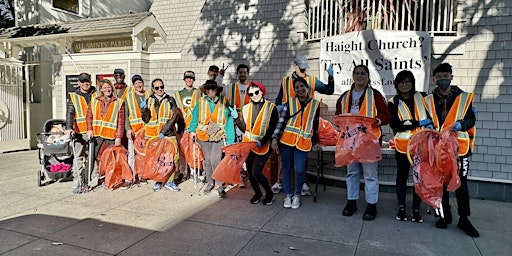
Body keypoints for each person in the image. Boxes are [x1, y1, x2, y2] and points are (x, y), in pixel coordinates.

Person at [425, 63, 479, 237]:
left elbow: (471, 120)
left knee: (461, 184)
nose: (443, 79)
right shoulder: (429, 100)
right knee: (442, 183)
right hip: (439, 149)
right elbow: (425, 119)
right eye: (439, 76)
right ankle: (445, 215)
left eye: (446, 76)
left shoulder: (464, 98)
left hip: (459, 150)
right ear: (434, 79)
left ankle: (464, 219)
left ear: (451, 77)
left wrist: (461, 124)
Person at [272, 56, 335, 196]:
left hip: (304, 126)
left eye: (305, 68)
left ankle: (303, 182)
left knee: (302, 158)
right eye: (301, 68)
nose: (303, 70)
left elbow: (329, 90)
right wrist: (280, 108)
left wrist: (331, 77)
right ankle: (281, 181)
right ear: (294, 66)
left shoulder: (311, 81)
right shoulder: (286, 81)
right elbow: (278, 99)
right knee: (284, 160)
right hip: (288, 125)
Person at [335, 64, 391, 221]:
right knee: (351, 172)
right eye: (357, 73)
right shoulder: (345, 96)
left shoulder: (376, 95)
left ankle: (371, 205)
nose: (360, 76)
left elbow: (386, 115)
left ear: (368, 77)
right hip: (350, 141)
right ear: (353, 76)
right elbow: (338, 116)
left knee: (370, 175)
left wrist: (379, 120)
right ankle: (351, 202)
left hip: (369, 141)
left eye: (363, 74)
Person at [271, 77, 322, 209]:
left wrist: (316, 142)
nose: (300, 89)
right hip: (286, 141)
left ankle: (297, 195)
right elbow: (281, 121)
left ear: (307, 87)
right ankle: (288, 195)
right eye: (297, 87)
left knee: (299, 170)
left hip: (303, 142)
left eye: (302, 86)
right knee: (287, 169)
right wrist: (275, 138)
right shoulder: (290, 103)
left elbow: (315, 125)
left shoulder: (315, 104)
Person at [388, 70, 431, 223]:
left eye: (407, 81)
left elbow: (433, 116)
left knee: (419, 177)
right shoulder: (393, 102)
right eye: (401, 82)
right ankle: (401, 207)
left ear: (412, 83)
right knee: (402, 176)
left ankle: (416, 208)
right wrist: (417, 123)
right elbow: (395, 124)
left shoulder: (423, 97)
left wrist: (409, 124)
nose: (404, 84)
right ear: (396, 84)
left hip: (422, 144)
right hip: (403, 146)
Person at [233, 81, 278, 205]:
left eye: (256, 92)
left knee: (256, 172)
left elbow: (272, 128)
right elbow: (244, 128)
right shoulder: (246, 108)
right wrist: (236, 118)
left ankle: (269, 194)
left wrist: (262, 141)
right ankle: (257, 193)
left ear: (262, 91)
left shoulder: (271, 107)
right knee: (250, 173)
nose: (254, 95)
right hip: (249, 144)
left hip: (263, 145)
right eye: (251, 94)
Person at [188, 80, 235, 198]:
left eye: (212, 89)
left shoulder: (224, 101)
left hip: (218, 135)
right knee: (207, 160)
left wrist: (230, 140)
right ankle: (209, 182)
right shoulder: (201, 102)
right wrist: (192, 130)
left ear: (216, 90)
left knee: (215, 159)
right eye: (207, 89)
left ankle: (219, 184)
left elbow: (229, 121)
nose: (210, 91)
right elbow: (194, 117)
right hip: (204, 135)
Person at [141, 78, 182, 192]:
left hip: (168, 133)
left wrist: (163, 132)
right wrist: (143, 110)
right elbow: (146, 119)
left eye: (162, 87)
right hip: (154, 135)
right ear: (153, 89)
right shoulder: (149, 100)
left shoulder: (170, 100)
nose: (160, 89)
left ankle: (170, 181)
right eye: (157, 88)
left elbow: (174, 116)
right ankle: (159, 180)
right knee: (158, 159)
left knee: (174, 157)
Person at [86, 79, 125, 188]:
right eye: (105, 87)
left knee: (112, 159)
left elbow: (120, 122)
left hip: (111, 135)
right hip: (97, 134)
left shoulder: (118, 102)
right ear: (101, 89)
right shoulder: (94, 100)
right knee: (91, 157)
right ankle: (86, 182)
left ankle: (112, 180)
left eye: (109, 87)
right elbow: (89, 116)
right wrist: (89, 129)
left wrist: (119, 137)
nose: (107, 89)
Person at [217, 64, 251, 187]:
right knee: (234, 151)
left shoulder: (252, 88)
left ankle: (244, 175)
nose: (242, 74)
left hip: (246, 125)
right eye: (240, 72)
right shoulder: (230, 87)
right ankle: (236, 176)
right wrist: (220, 75)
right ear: (237, 74)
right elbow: (217, 87)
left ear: (248, 74)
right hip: (232, 123)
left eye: (244, 72)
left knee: (245, 151)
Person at [65, 72, 97, 194]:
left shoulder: (96, 94)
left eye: (87, 81)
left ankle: (91, 178)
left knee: (92, 156)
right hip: (79, 131)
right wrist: (69, 127)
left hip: (93, 131)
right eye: (83, 82)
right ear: (79, 83)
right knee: (78, 156)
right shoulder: (74, 96)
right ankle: (77, 180)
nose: (85, 83)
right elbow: (70, 113)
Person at [173, 71, 201, 183]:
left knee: (194, 150)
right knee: (183, 151)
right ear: (184, 79)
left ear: (194, 80)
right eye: (187, 78)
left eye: (191, 78)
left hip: (194, 127)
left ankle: (194, 172)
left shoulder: (198, 92)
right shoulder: (178, 94)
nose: (189, 80)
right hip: (182, 126)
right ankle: (183, 172)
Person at [124, 74, 149, 186]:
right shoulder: (129, 96)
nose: (139, 85)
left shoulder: (148, 95)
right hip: (134, 130)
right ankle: (130, 177)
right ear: (133, 85)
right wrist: (128, 129)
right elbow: (126, 114)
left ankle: (142, 175)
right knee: (132, 154)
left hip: (145, 130)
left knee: (144, 153)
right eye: (136, 83)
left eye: (140, 82)